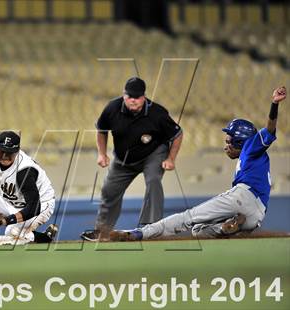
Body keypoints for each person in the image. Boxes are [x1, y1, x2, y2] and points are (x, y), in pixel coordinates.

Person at [110, 86, 287, 241]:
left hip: (242, 197)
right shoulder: (254, 157)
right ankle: (226, 227)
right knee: (199, 231)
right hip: (257, 215)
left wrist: (274, 104)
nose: (226, 145)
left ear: (240, 142)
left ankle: (139, 233)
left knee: (187, 218)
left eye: (229, 141)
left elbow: (270, 129)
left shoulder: (251, 145)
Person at [81, 77, 183, 241]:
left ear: (144, 97)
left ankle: (152, 228)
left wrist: (171, 158)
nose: (133, 100)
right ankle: (102, 231)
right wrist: (102, 153)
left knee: (154, 181)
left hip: (153, 154)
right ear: (124, 95)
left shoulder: (157, 113)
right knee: (109, 190)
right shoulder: (112, 108)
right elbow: (101, 130)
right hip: (123, 158)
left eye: (137, 97)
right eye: (130, 97)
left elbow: (177, 134)